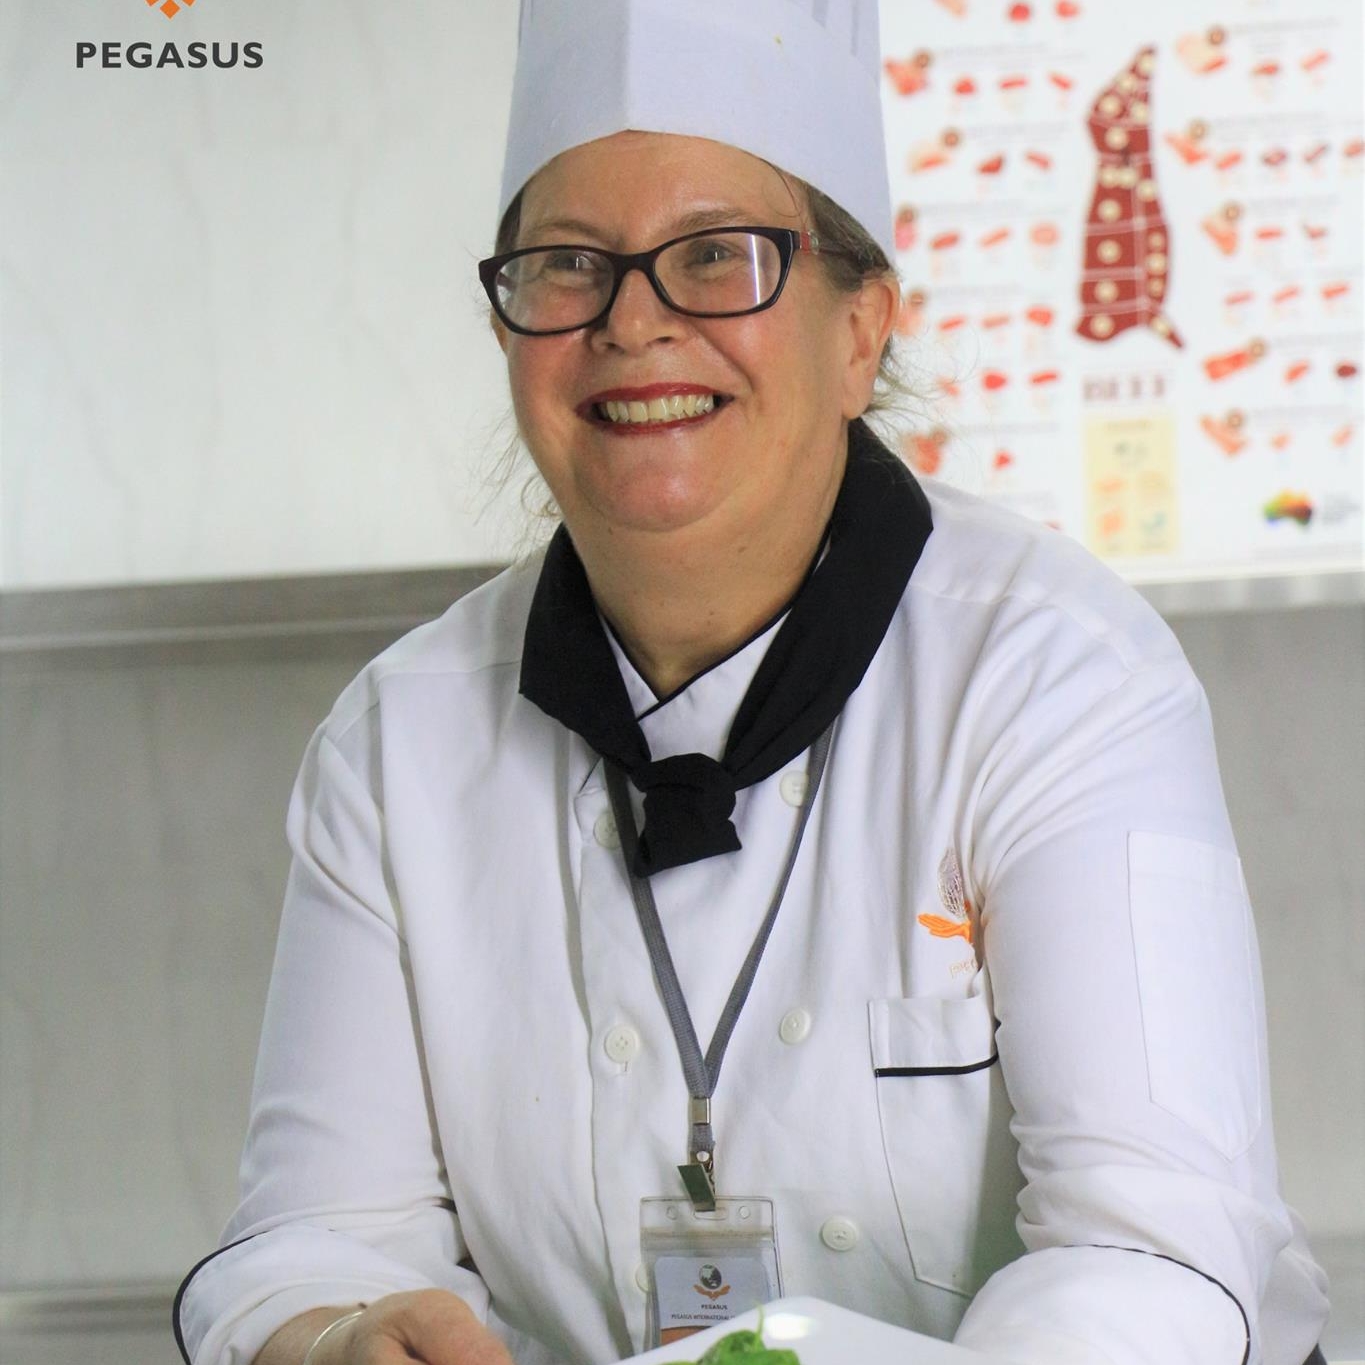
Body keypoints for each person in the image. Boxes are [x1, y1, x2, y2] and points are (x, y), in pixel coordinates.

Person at [174, 3, 1332, 1363]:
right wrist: (332, 1336)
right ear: (508, 333)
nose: (632, 323)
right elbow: (316, 1235)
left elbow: (1149, 1253)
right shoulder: (398, 742)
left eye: (716, 255)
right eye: (567, 266)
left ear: (860, 332)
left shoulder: (1055, 678)